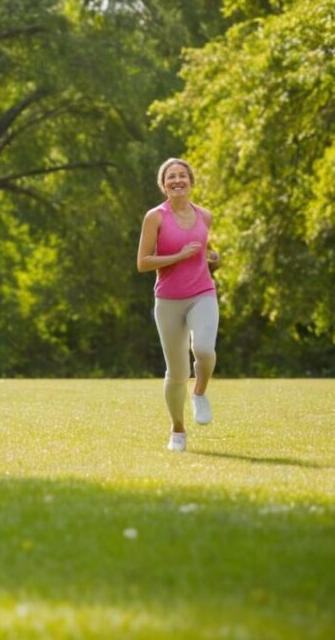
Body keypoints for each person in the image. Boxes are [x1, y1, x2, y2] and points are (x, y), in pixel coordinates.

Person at [136, 158, 221, 453]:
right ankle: (178, 430)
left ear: (191, 181)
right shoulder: (155, 217)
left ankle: (200, 392)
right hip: (168, 300)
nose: (177, 180)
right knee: (176, 372)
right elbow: (143, 262)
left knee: (205, 350)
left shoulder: (205, 216)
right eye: (171, 176)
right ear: (164, 184)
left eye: (182, 176)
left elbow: (205, 246)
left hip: (202, 293)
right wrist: (179, 256)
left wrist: (212, 257)